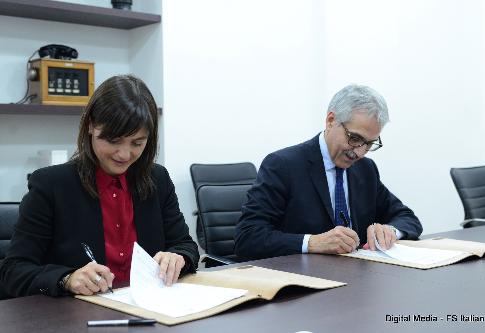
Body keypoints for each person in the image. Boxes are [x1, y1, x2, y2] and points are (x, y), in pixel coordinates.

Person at [0, 75, 199, 297]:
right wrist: (67, 278)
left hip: (149, 312)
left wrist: (177, 257)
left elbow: (185, 245)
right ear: (91, 126)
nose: (124, 154)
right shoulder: (51, 185)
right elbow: (13, 271)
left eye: (137, 143)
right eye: (113, 141)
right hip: (78, 319)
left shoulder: (157, 179)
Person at [235, 84, 422, 260]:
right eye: (354, 138)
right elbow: (248, 238)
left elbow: (408, 218)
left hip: (358, 279)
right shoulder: (283, 165)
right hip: (303, 281)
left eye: (369, 143)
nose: (358, 152)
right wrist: (312, 243)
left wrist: (390, 231)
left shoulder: (366, 169)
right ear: (331, 121)